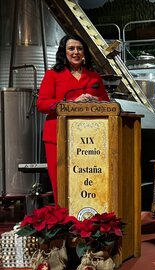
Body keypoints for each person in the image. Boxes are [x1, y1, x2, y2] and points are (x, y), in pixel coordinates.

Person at [37, 34, 109, 204]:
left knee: (87, 179)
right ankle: (64, 221)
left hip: (89, 139)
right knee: (61, 180)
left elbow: (106, 103)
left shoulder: (93, 76)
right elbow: (41, 104)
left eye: (79, 48)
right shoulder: (52, 75)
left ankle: (87, 219)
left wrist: (95, 101)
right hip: (57, 136)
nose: (76, 52)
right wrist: (70, 103)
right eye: (71, 48)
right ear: (64, 52)